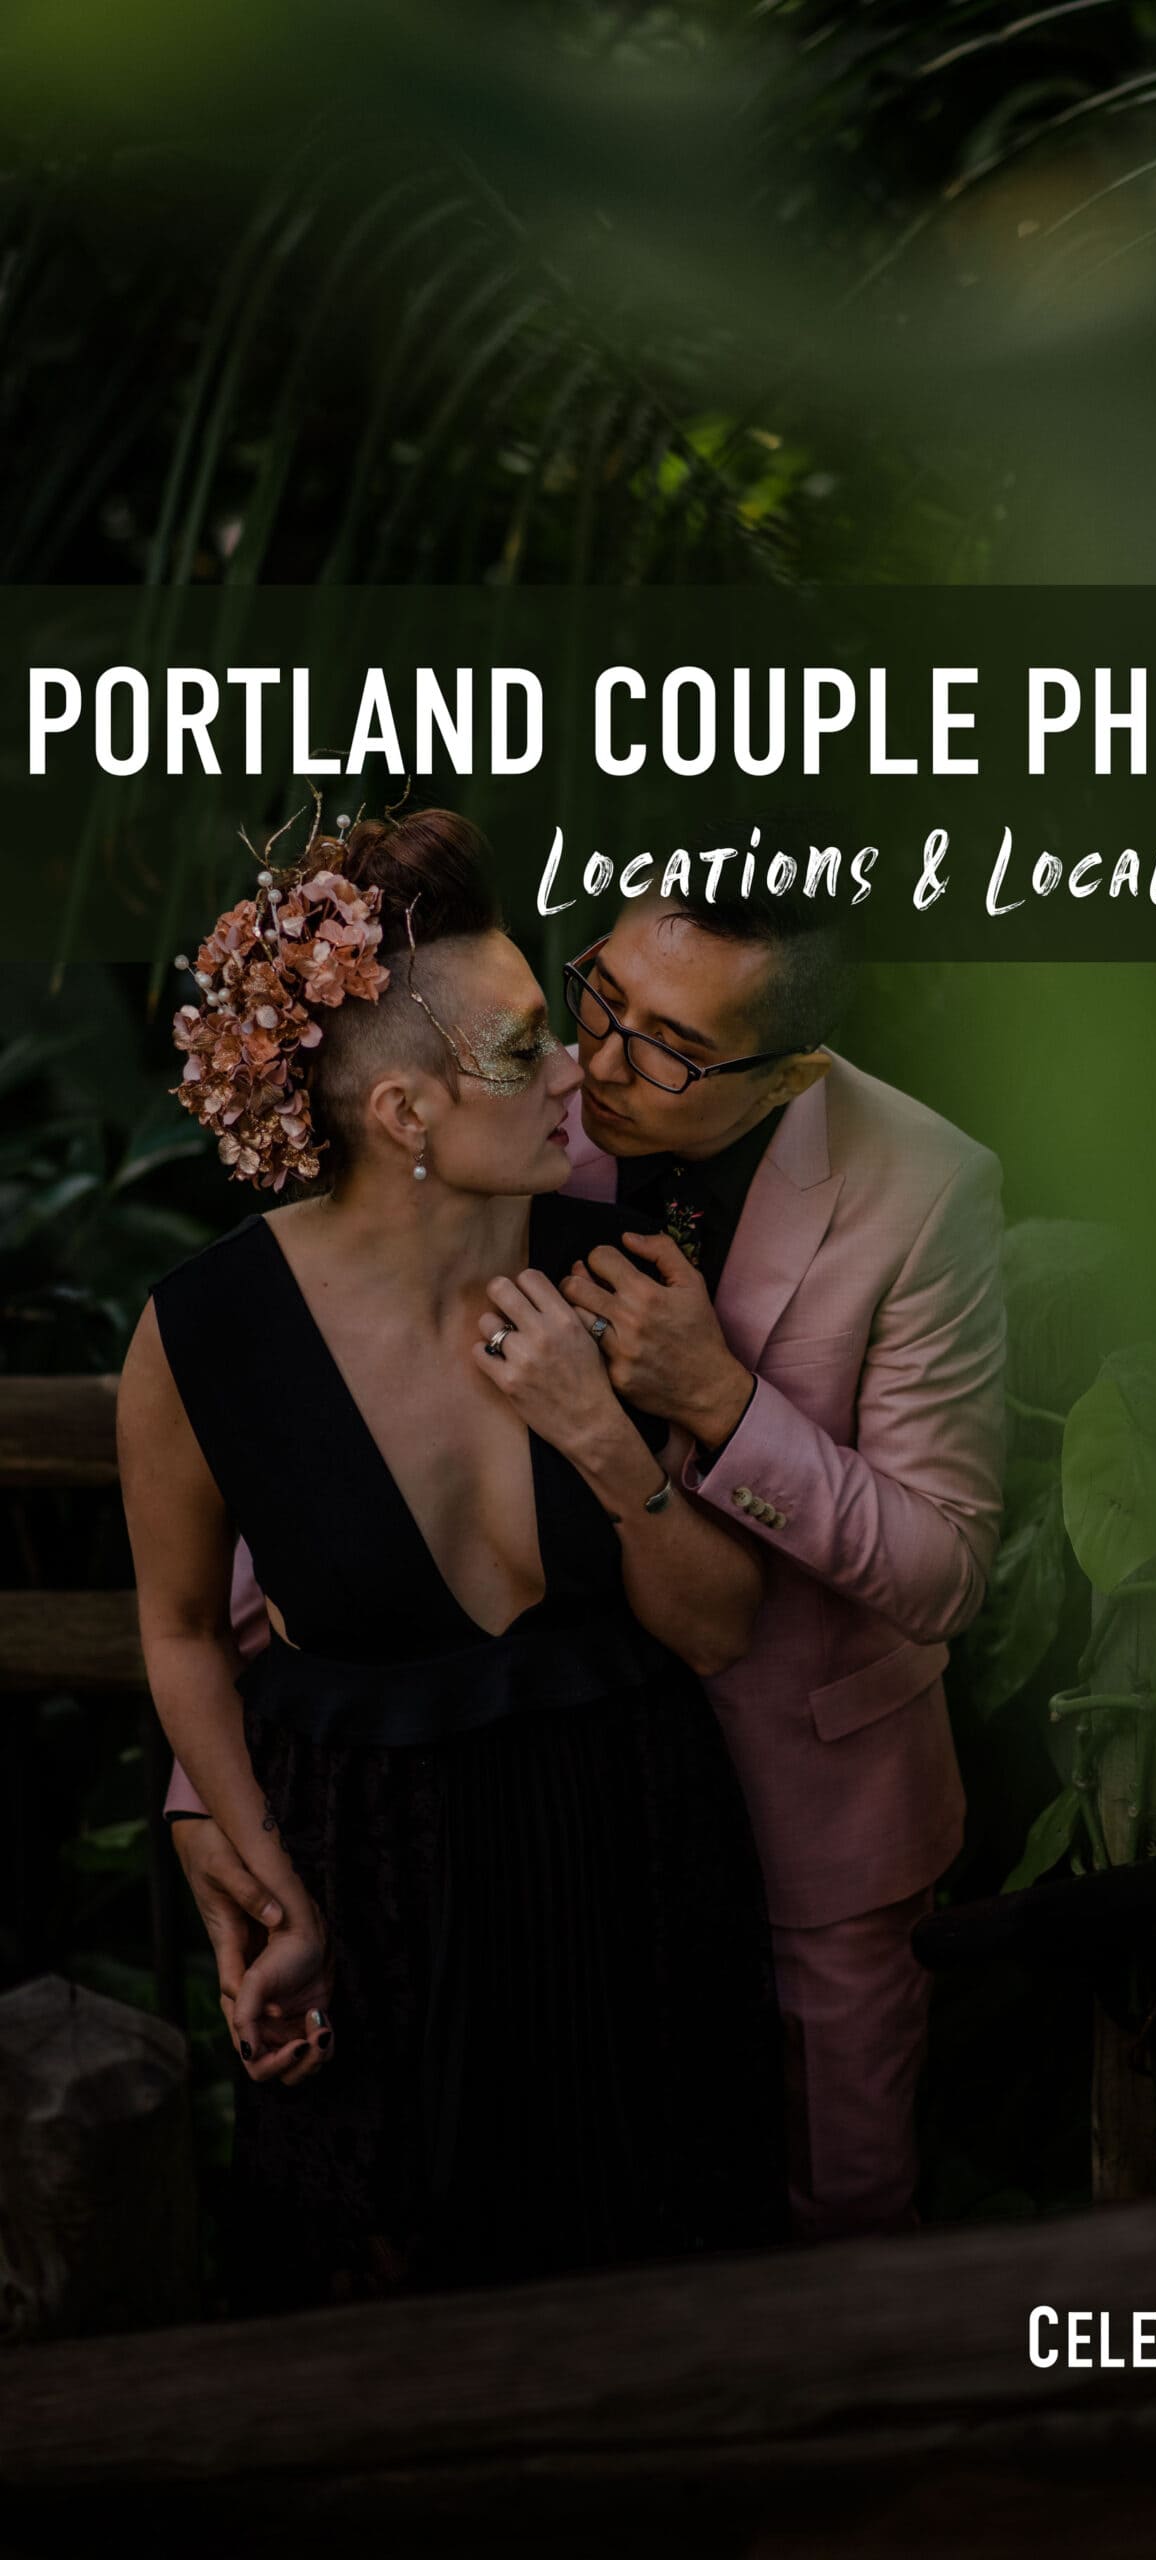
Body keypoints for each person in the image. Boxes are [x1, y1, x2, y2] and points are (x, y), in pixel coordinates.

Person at [169, 872, 1007, 2243]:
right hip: (569, 1815)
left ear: (790, 1068)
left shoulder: (924, 1189)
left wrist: (725, 1406)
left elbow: (946, 1565)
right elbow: (329, 1449)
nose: (595, 1065)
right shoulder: (520, 1119)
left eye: (666, 1049)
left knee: (836, 2215)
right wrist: (203, 1788)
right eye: (599, 995)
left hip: (808, 1796)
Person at [120, 808, 786, 2314]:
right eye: (525, 1048)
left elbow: (722, 1629)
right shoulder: (205, 1334)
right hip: (377, 1889)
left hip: (635, 1852)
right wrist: (275, 1891)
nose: (576, 1073)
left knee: (669, 2296)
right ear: (406, 1114)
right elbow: (174, 1632)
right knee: (394, 2322)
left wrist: (605, 1443)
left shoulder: (615, 1275)